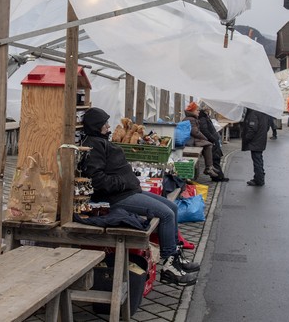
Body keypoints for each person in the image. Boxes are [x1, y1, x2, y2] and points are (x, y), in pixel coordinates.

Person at [79, 108, 200, 286]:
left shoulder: (100, 141)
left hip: (129, 190)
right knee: (166, 214)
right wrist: (123, 182)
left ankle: (176, 258)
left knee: (172, 207)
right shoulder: (94, 145)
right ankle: (168, 267)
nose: (108, 126)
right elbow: (97, 180)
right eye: (104, 123)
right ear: (96, 126)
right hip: (118, 197)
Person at [185, 102, 227, 180]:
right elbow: (197, 131)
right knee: (208, 145)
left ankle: (210, 167)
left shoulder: (196, 118)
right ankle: (209, 168)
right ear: (193, 111)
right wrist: (206, 138)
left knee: (209, 146)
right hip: (192, 141)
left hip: (195, 140)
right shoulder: (194, 119)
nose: (198, 111)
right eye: (197, 110)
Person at [242, 108, 270, 186]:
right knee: (259, 160)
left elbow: (252, 128)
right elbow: (267, 126)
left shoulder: (254, 113)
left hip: (255, 141)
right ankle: (259, 178)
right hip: (261, 140)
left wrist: (246, 138)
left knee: (257, 161)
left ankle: (259, 180)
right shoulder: (263, 112)